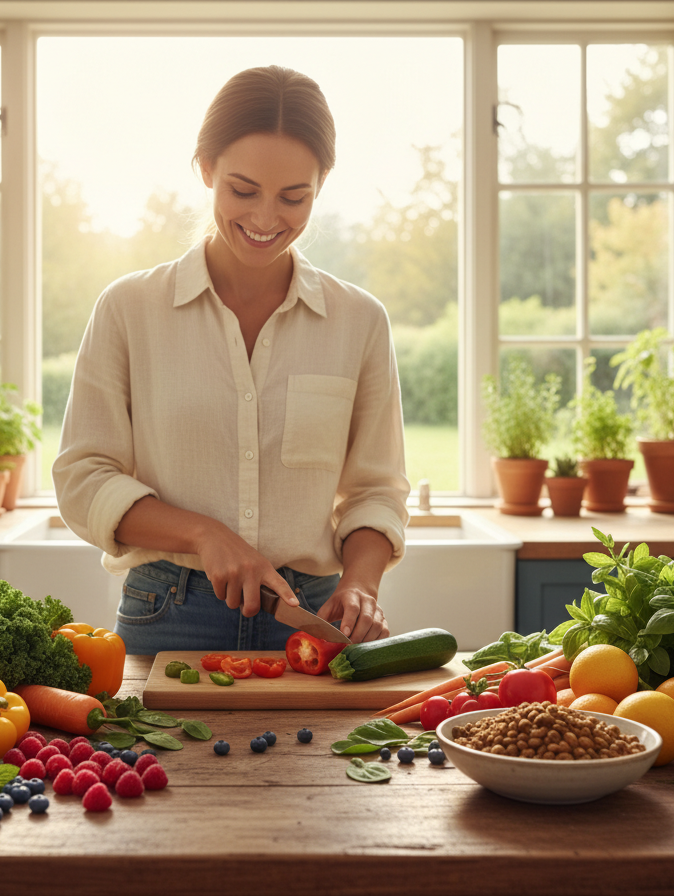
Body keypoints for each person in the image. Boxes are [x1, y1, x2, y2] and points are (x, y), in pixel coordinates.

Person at [53, 65, 409, 655]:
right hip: (168, 611)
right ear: (206, 170)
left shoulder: (360, 321)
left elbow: (375, 490)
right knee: (158, 753)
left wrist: (362, 584)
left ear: (321, 185)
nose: (267, 218)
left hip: (311, 618)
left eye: (294, 197)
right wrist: (203, 534)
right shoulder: (129, 308)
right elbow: (83, 477)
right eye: (243, 190)